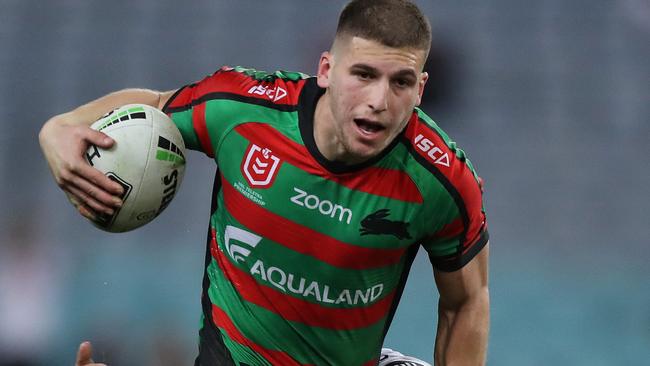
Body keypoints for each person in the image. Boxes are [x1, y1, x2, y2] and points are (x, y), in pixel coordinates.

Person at [40, 0, 489, 365]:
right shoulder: (243, 112)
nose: (378, 101)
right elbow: (157, 105)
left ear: (421, 89)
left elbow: (466, 302)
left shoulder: (442, 180)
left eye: (401, 82)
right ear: (327, 70)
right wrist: (59, 127)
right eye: (364, 74)